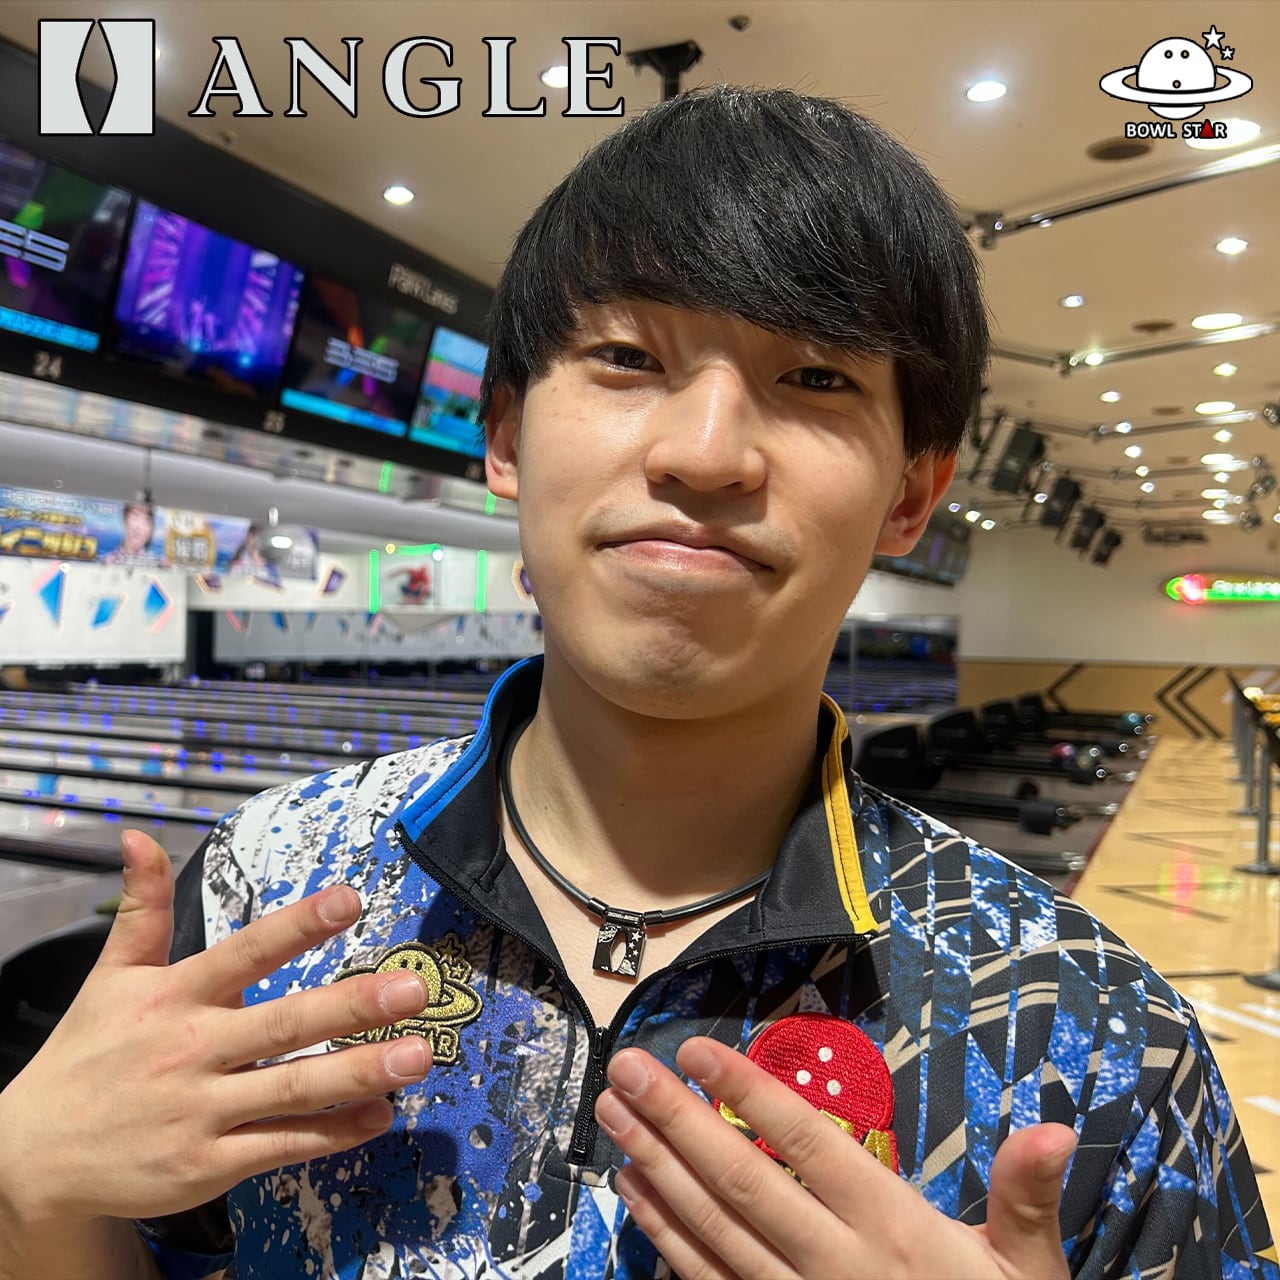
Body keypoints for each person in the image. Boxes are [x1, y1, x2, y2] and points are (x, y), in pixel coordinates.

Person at [0, 86, 1275, 1280]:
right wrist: (27, 1193)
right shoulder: (262, 888)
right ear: (506, 435)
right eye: (624, 356)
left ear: (910, 495)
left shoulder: (1096, 1034)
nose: (705, 452)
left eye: (815, 377)